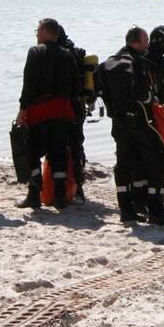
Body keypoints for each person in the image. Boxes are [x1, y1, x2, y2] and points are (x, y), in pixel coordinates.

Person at [100, 27, 164, 225]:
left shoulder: (108, 63)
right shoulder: (137, 62)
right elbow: (143, 94)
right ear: (140, 41)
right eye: (145, 41)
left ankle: (126, 211)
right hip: (140, 121)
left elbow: (101, 92)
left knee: (124, 164)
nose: (147, 46)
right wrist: (154, 101)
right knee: (157, 161)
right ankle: (156, 211)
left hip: (118, 123)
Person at [15, 19, 81, 210]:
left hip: (39, 111)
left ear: (44, 32)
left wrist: (22, 109)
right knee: (58, 153)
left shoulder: (35, 52)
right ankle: (60, 197)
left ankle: (34, 195)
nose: (36, 34)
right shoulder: (68, 55)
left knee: (33, 152)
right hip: (62, 112)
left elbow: (29, 83)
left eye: (37, 30)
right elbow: (75, 87)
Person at [56, 23, 92, 203]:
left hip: (63, 106)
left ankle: (63, 188)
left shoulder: (58, 54)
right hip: (78, 106)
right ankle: (79, 189)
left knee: (60, 146)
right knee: (77, 146)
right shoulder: (77, 53)